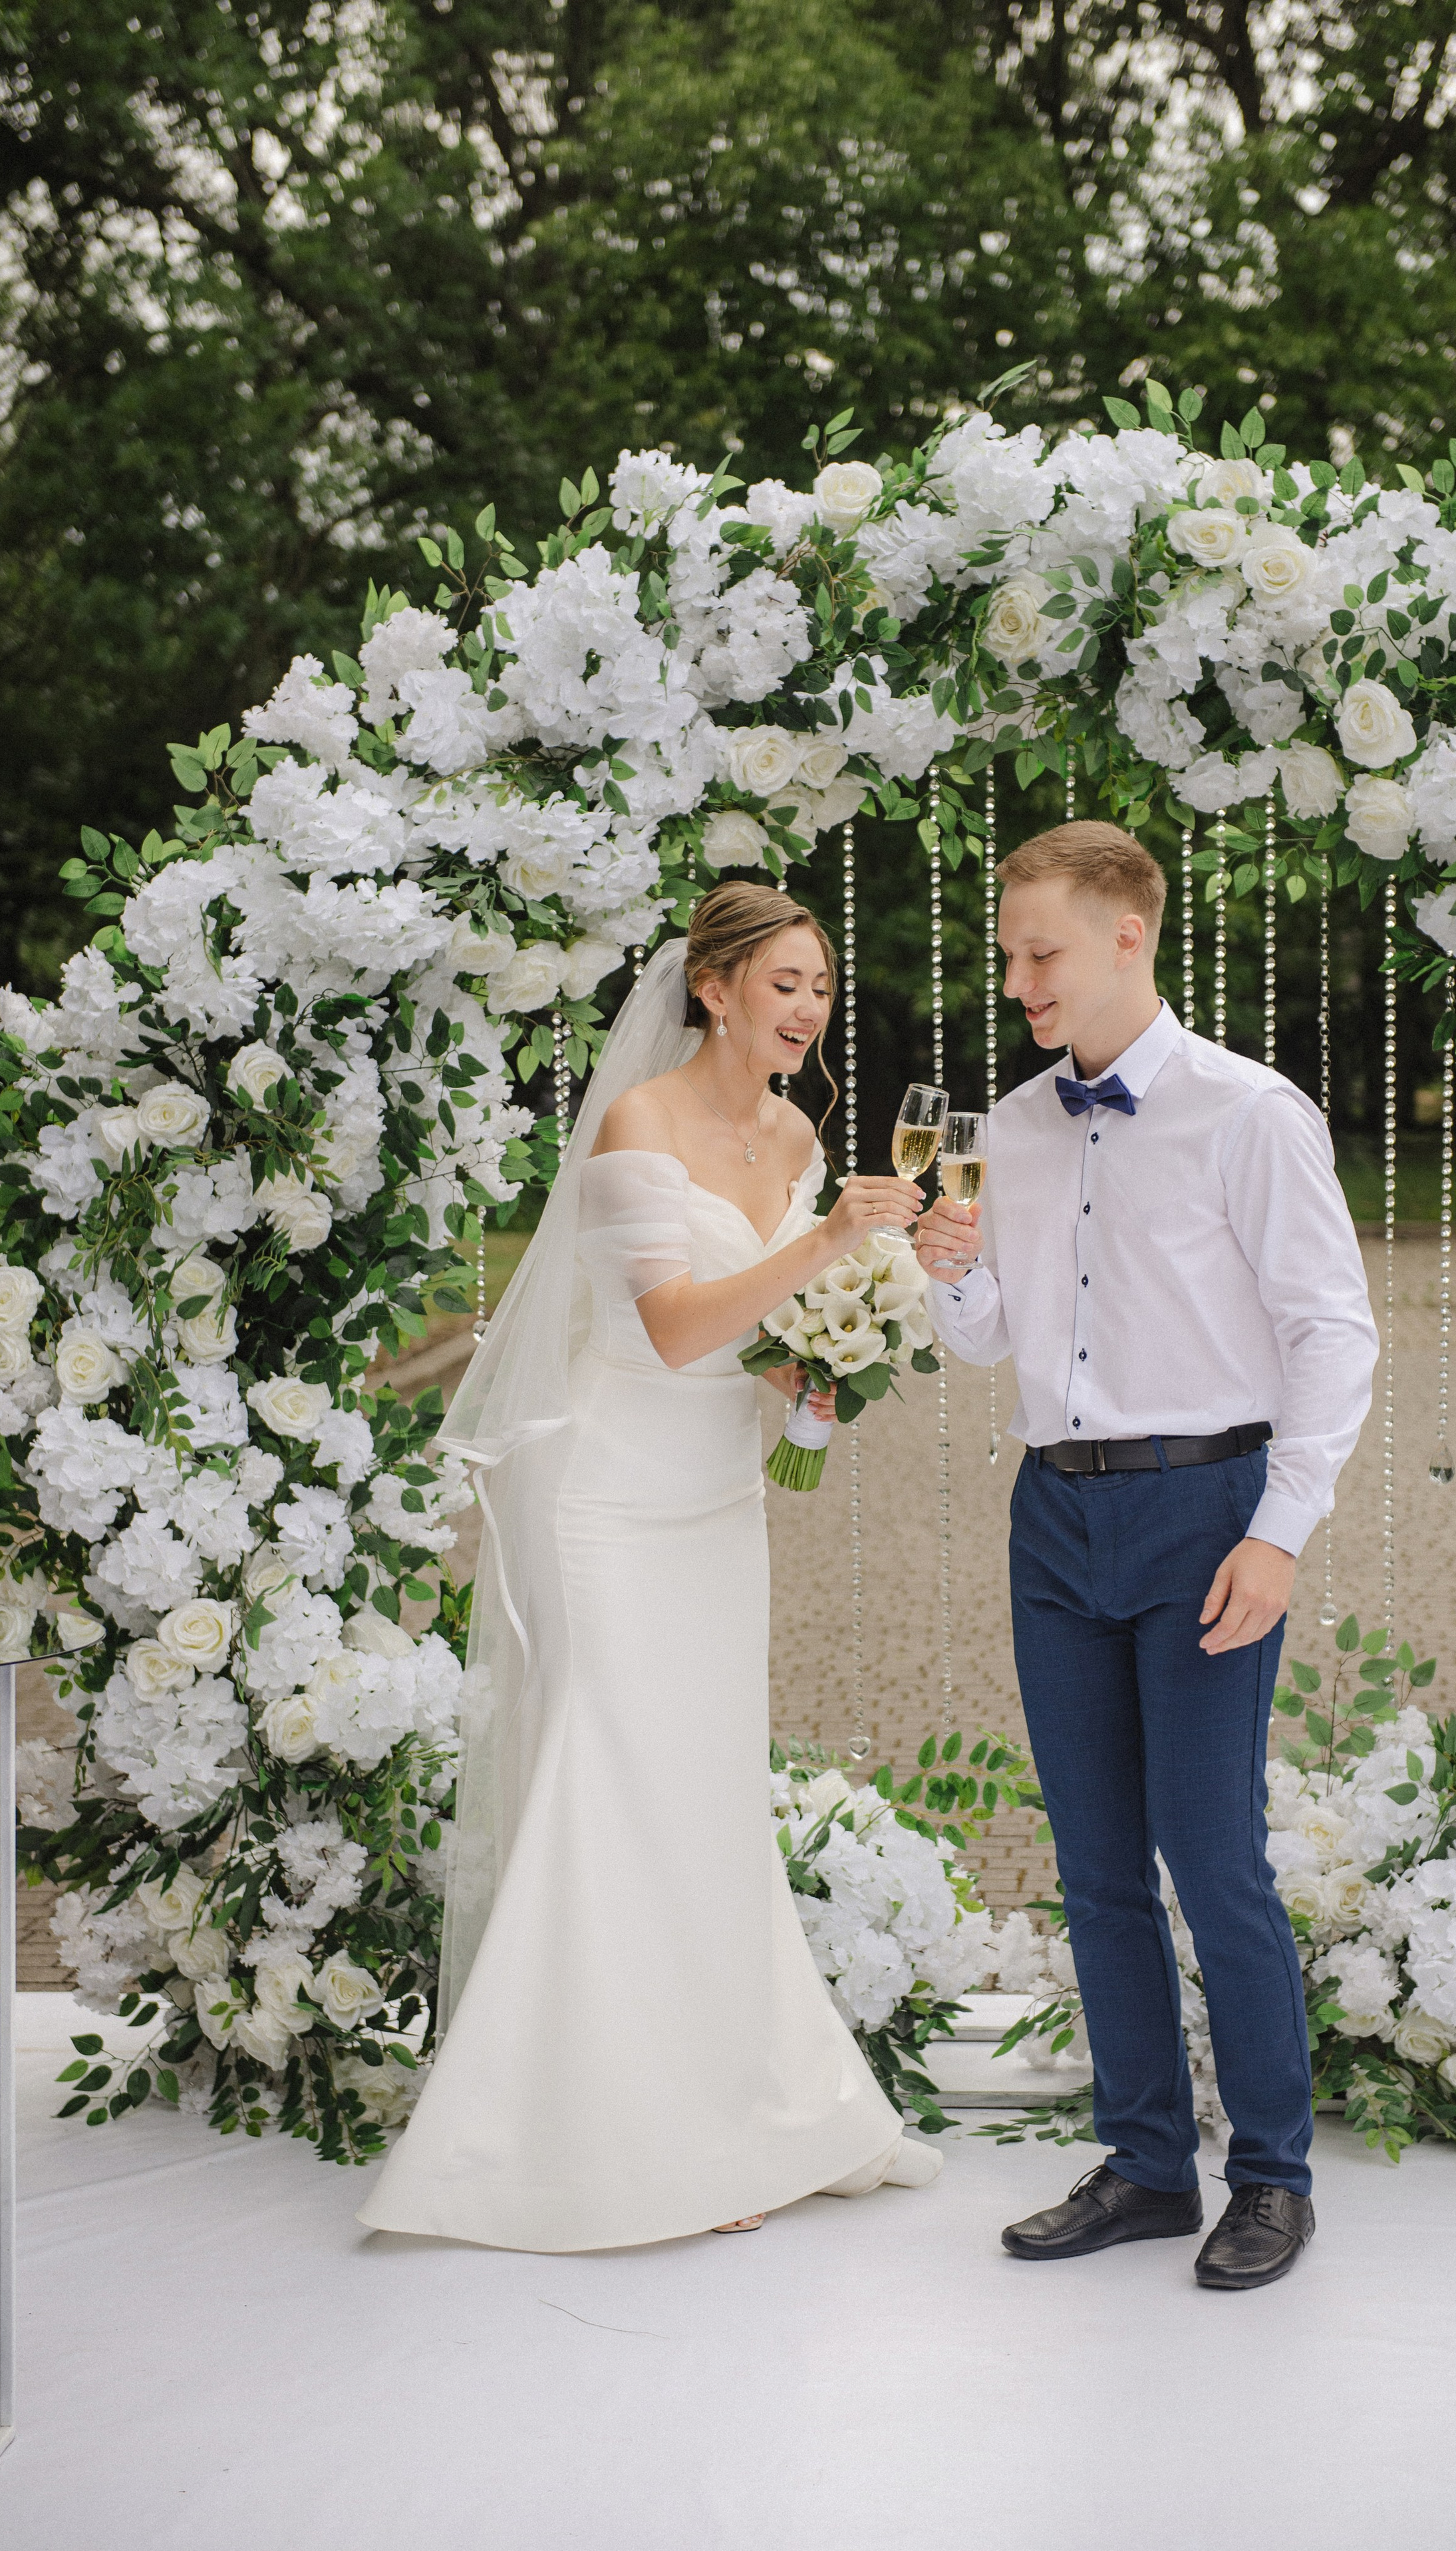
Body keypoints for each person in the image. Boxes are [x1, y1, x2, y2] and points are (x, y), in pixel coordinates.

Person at [355, 881, 941, 2252]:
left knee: (701, 1790)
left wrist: (829, 1365)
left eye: (819, 986)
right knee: (603, 1784)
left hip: (717, 1496)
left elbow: (771, 1329)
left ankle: (748, 2104)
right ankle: (597, 2134)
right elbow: (676, 1327)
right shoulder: (637, 1124)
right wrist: (830, 1243)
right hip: (609, 1496)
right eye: (784, 982)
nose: (807, 1007)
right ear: (714, 986)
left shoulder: (795, 1131)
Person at [914, 821, 1378, 2291]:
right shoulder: (1007, 1123)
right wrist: (952, 1267)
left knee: (1209, 1851)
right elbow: (993, 1334)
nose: (1018, 982)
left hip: (1203, 1508)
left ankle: (1272, 2176)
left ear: (1128, 934)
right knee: (1096, 1862)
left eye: (1038, 952)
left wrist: (1277, 1531)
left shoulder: (1249, 1113)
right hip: (1051, 1510)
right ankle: (1141, 2163)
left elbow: (1328, 1332)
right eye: (1006, 955)